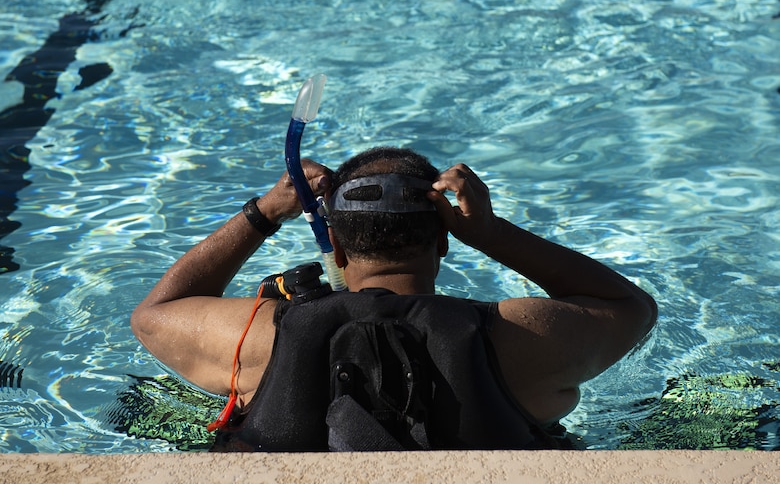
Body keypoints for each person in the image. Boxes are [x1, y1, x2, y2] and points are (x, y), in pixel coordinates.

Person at [131, 147, 657, 451]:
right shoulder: (518, 334)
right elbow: (630, 307)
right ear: (447, 240)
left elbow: (154, 315)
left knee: (142, 406)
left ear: (334, 245)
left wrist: (264, 213)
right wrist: (494, 234)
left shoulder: (258, 334)